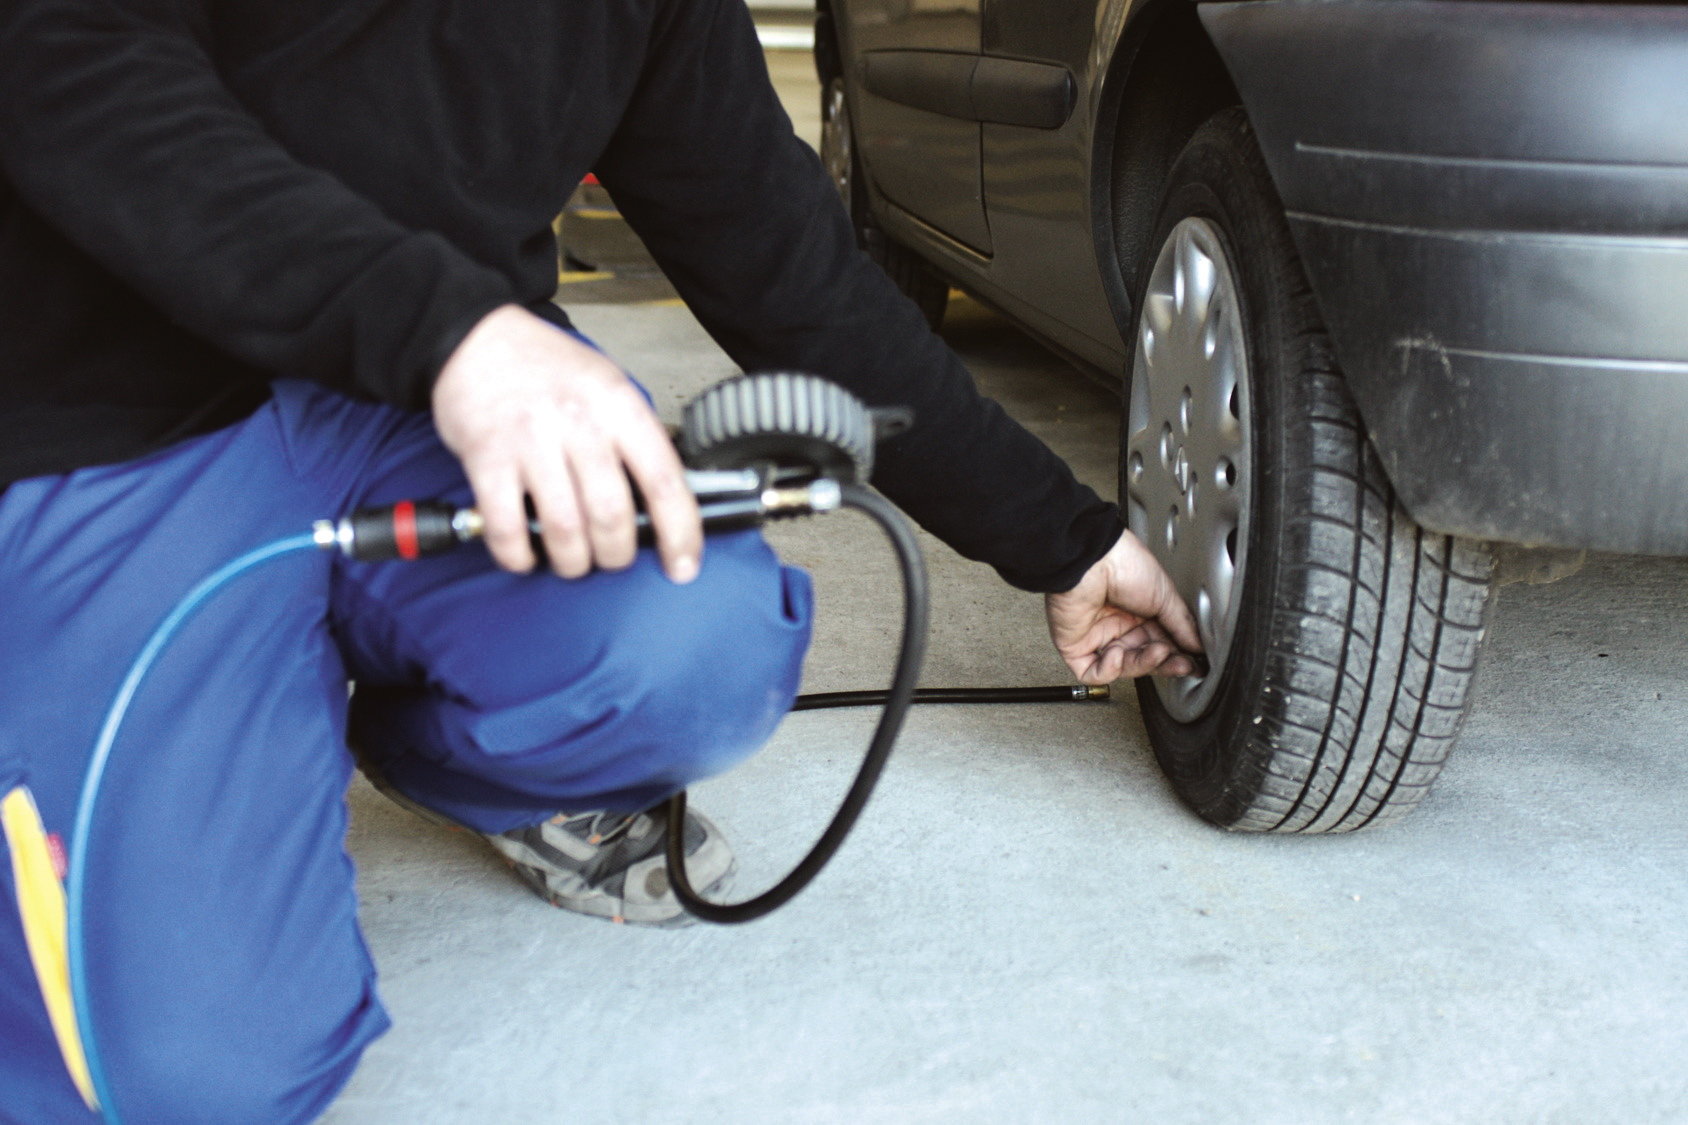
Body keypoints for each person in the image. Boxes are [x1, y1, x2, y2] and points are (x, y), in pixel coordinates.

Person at [0, 0, 1202, 1119]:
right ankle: (214, 733)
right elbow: (69, 63)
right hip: (130, 415)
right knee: (187, 1077)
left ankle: (474, 762)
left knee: (696, 635)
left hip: (422, 414)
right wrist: (450, 331)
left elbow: (793, 273)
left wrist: (1064, 540)